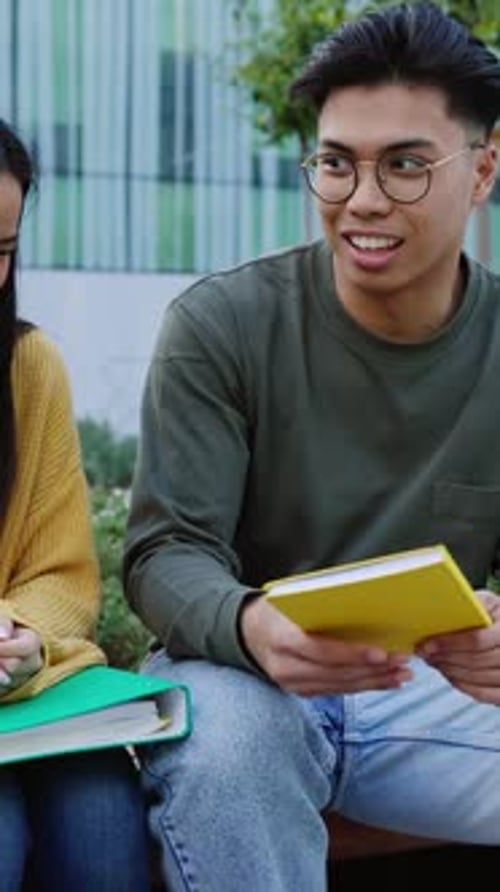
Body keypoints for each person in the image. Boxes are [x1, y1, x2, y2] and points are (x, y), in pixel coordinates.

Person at [123, 2, 500, 890]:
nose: (363, 201)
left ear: (483, 170)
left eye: (406, 165)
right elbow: (164, 550)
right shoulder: (221, 325)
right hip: (240, 682)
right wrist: (251, 623)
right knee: (228, 757)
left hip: (431, 701)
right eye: (337, 164)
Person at [0, 121, 151, 892]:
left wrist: (23, 634)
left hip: (18, 703)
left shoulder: (30, 368)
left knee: (101, 819)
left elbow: (62, 572)